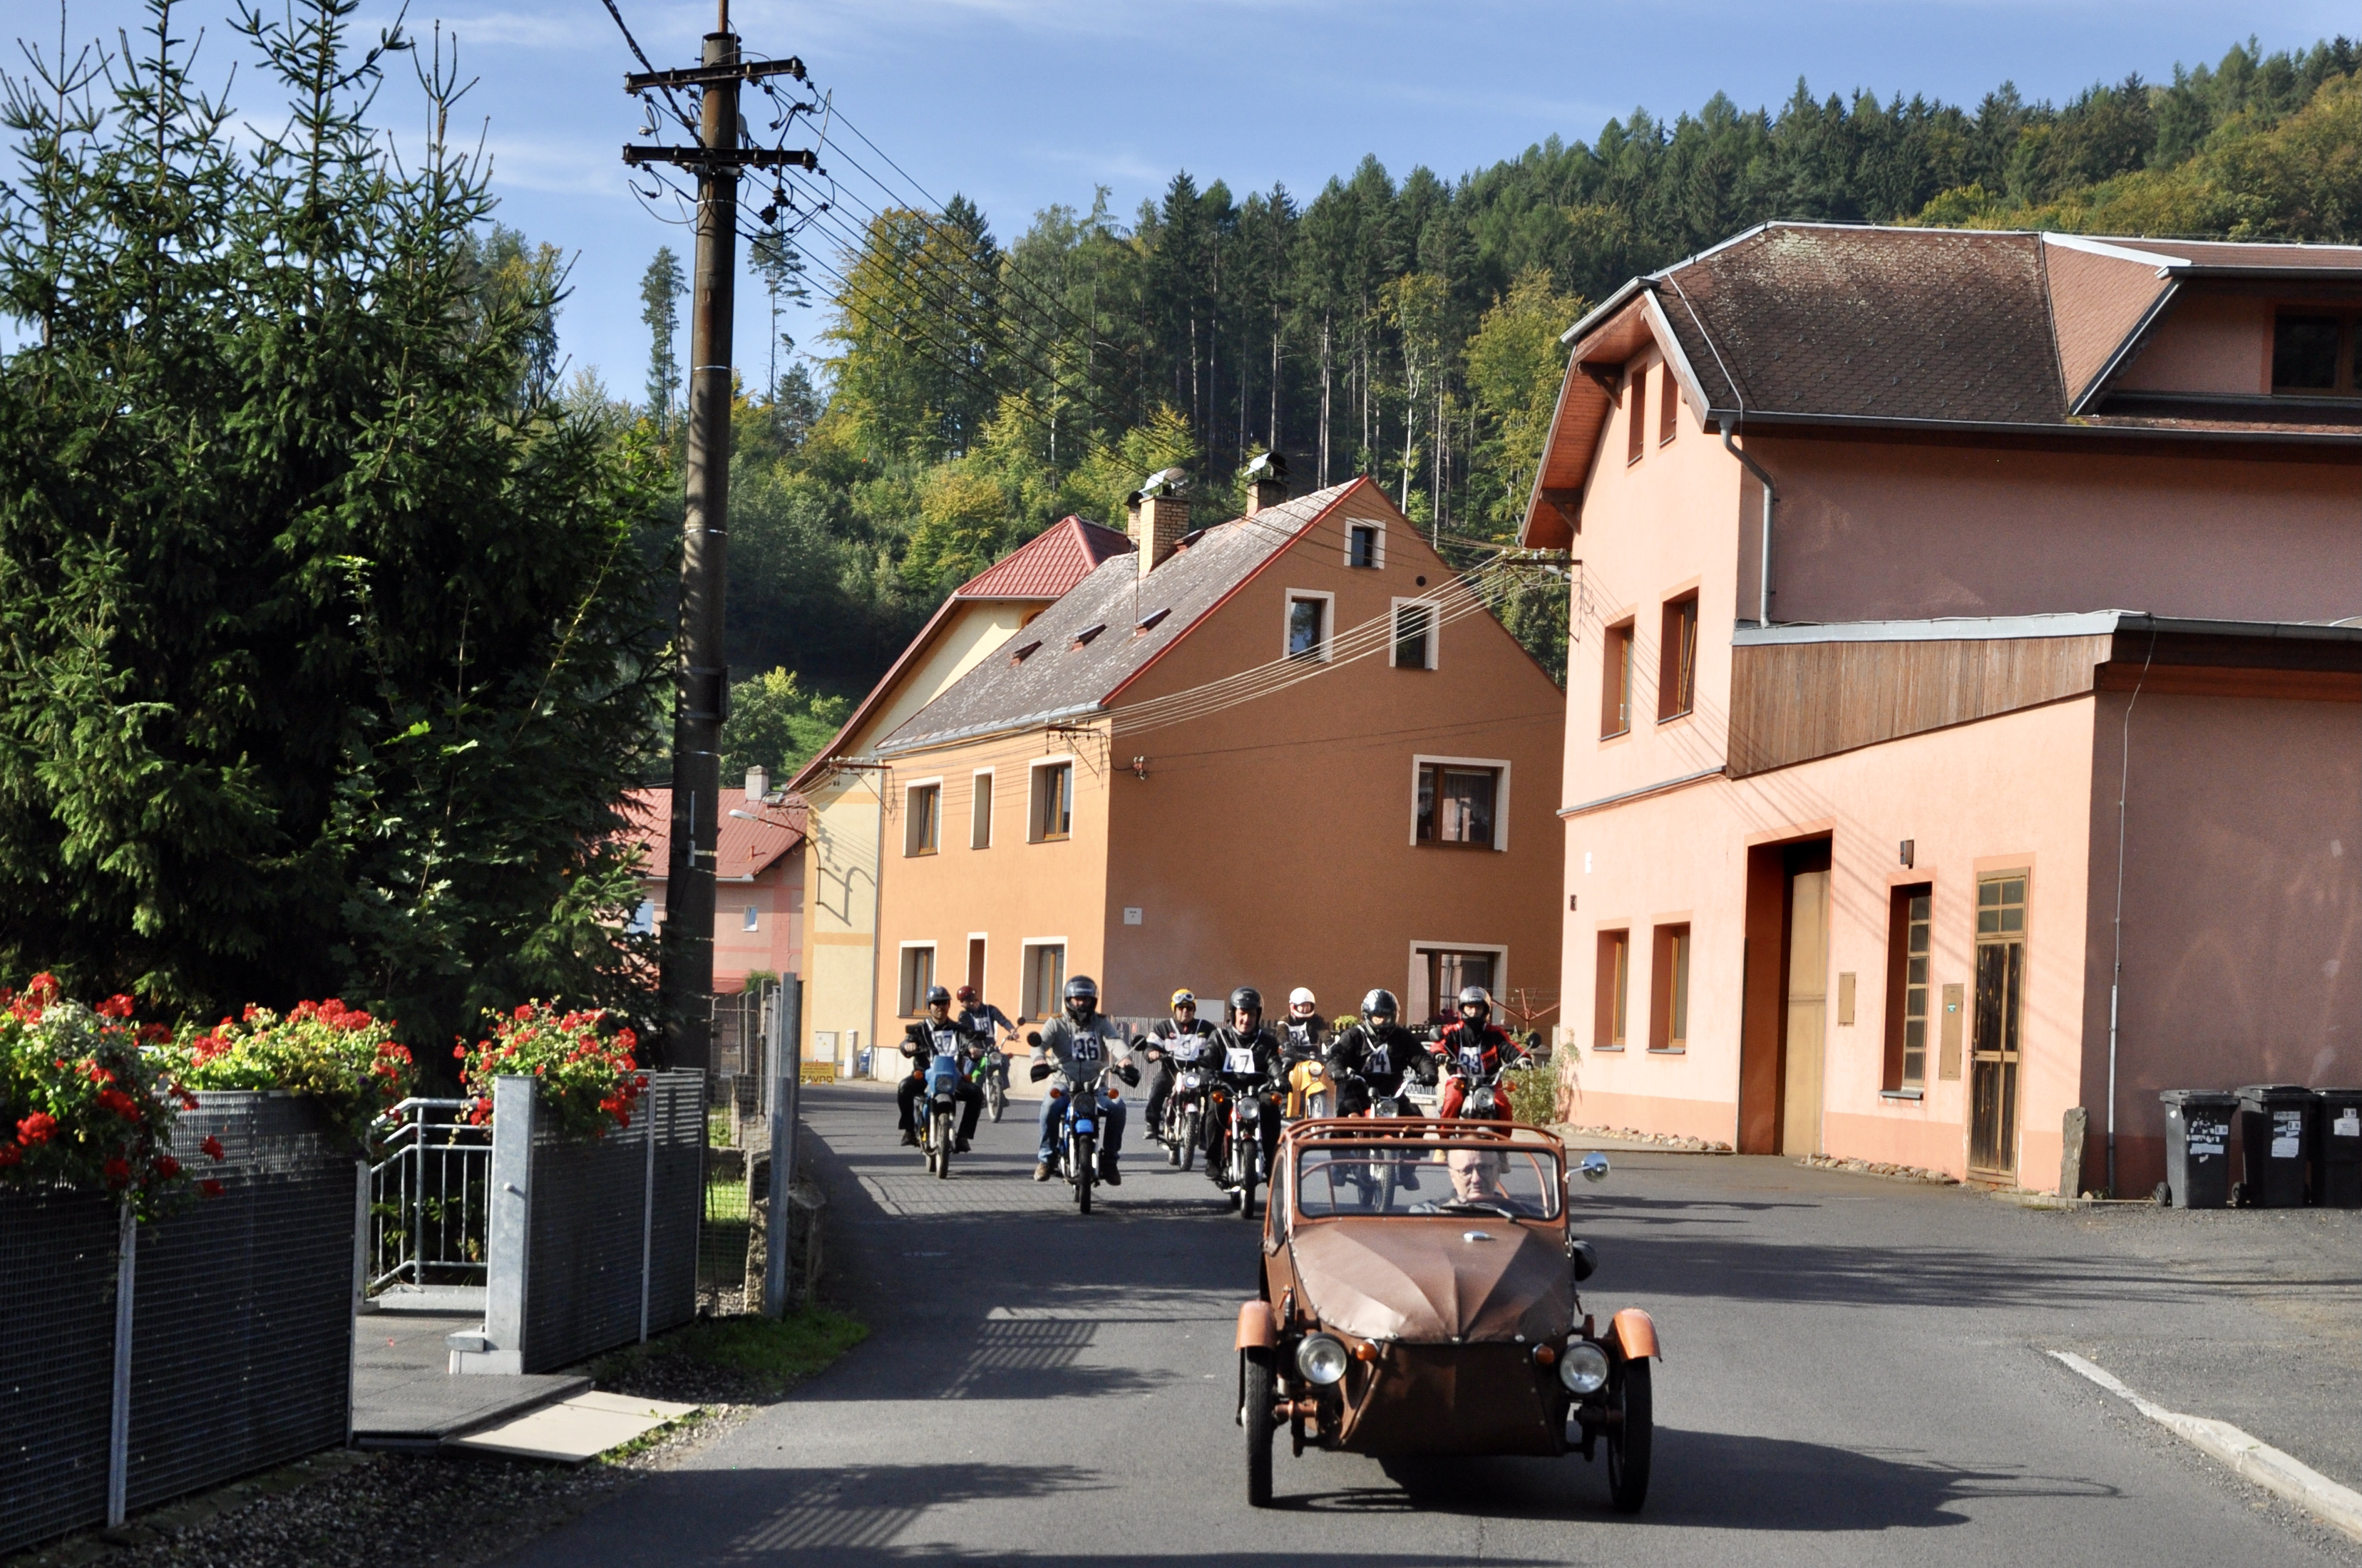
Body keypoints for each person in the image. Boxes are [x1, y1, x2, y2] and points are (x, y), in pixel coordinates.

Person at [1031, 975, 1138, 1184]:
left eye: (1086, 999)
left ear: (1093, 1001)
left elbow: (1114, 1041)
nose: (1081, 1003)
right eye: (1077, 999)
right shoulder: (1057, 1022)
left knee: (1117, 1105)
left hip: (1096, 1086)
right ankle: (1046, 1159)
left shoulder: (1101, 1023)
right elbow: (1039, 1044)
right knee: (1050, 1104)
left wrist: (1125, 1060)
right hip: (1064, 1083)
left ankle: (1110, 1161)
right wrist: (1039, 1059)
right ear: (1068, 1000)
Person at [1206, 986, 1283, 1188]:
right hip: (1227, 1089)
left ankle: (1271, 1162)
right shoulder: (1219, 1037)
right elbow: (1209, 1057)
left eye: (1252, 1014)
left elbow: (1274, 1063)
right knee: (1216, 1105)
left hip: (1257, 1092)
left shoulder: (1267, 1041)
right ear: (1233, 1013)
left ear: (1258, 1016)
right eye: (1242, 1013)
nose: (1246, 1019)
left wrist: (1281, 1077)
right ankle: (1213, 1160)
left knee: (1271, 1105)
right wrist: (1206, 1073)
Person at [897, 986, 985, 1151]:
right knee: (904, 1087)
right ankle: (909, 1131)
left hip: (953, 1076)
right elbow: (907, 1040)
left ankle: (963, 1136)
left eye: (944, 1003)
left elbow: (968, 1039)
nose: (940, 1007)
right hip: (925, 1075)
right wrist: (908, 1045)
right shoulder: (920, 1029)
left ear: (949, 1005)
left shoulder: (958, 1029)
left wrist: (973, 1048)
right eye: (936, 1003)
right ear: (929, 1006)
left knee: (976, 1093)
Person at [1429, 986, 1526, 1122]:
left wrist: (1521, 1058)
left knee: (1503, 1105)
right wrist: (1440, 1054)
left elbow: (1508, 1046)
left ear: (1485, 1010)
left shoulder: (1495, 1033)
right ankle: (1444, 1134)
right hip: (1460, 1081)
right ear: (1462, 1009)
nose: (1474, 1012)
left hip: (1490, 1083)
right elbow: (1439, 1043)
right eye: (1470, 1007)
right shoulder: (1453, 1031)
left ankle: (1504, 1136)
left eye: (1478, 1008)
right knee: (1452, 1101)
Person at [1327, 989, 1422, 1117]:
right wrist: (1337, 1070)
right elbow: (1336, 1055)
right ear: (1368, 1016)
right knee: (1347, 1113)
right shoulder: (1354, 1035)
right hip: (1360, 1091)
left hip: (1393, 1092)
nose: (1383, 1022)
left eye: (1387, 1018)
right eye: (1378, 1018)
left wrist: (1429, 1073)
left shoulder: (1403, 1036)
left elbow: (1420, 1057)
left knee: (1416, 1118)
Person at [1141, 989, 1218, 1140]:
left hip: (1198, 1072)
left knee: (1213, 1095)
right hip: (1171, 1070)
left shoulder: (1206, 1028)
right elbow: (1150, 1046)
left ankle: (1206, 1131)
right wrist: (1152, 1052)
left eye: (1189, 1008)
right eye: (1181, 1008)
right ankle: (1152, 1124)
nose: (1185, 1011)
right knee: (1158, 1087)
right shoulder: (1163, 1027)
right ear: (1174, 1010)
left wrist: (1213, 1059)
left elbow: (1218, 1046)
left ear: (1194, 1010)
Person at [955, 984, 1019, 1093]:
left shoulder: (990, 1010)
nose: (961, 1004)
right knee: (968, 1072)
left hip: (990, 1049)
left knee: (1004, 1060)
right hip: (974, 1050)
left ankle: (1001, 1089)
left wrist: (1013, 1031)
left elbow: (1003, 1020)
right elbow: (966, 1033)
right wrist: (972, 1048)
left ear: (970, 1000)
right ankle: (964, 1090)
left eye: (962, 1001)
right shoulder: (965, 1015)